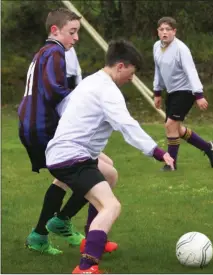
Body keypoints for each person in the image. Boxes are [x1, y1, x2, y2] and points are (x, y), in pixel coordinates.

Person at [45, 38, 174, 274]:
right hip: (72, 157)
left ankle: (95, 241)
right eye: (132, 73)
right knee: (111, 206)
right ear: (121, 66)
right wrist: (156, 151)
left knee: (110, 174)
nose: (131, 79)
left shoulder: (90, 81)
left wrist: (91, 149)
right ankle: (86, 266)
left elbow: (66, 110)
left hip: (63, 152)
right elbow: (127, 125)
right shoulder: (108, 91)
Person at [18, 7, 118, 256]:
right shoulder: (55, 51)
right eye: (72, 32)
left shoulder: (45, 51)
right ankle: (61, 222)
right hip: (43, 127)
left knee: (80, 172)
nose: (76, 38)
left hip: (34, 125)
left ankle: (42, 234)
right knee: (107, 173)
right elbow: (56, 93)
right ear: (55, 30)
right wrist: (87, 103)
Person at [153, 17, 213, 171]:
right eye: (162, 29)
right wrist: (157, 92)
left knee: (170, 125)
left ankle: (171, 163)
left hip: (186, 91)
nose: (164, 32)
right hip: (172, 92)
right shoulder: (156, 46)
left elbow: (191, 71)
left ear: (174, 31)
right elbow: (158, 70)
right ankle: (208, 147)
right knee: (177, 129)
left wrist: (199, 95)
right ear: (158, 32)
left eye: (168, 29)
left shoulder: (181, 49)